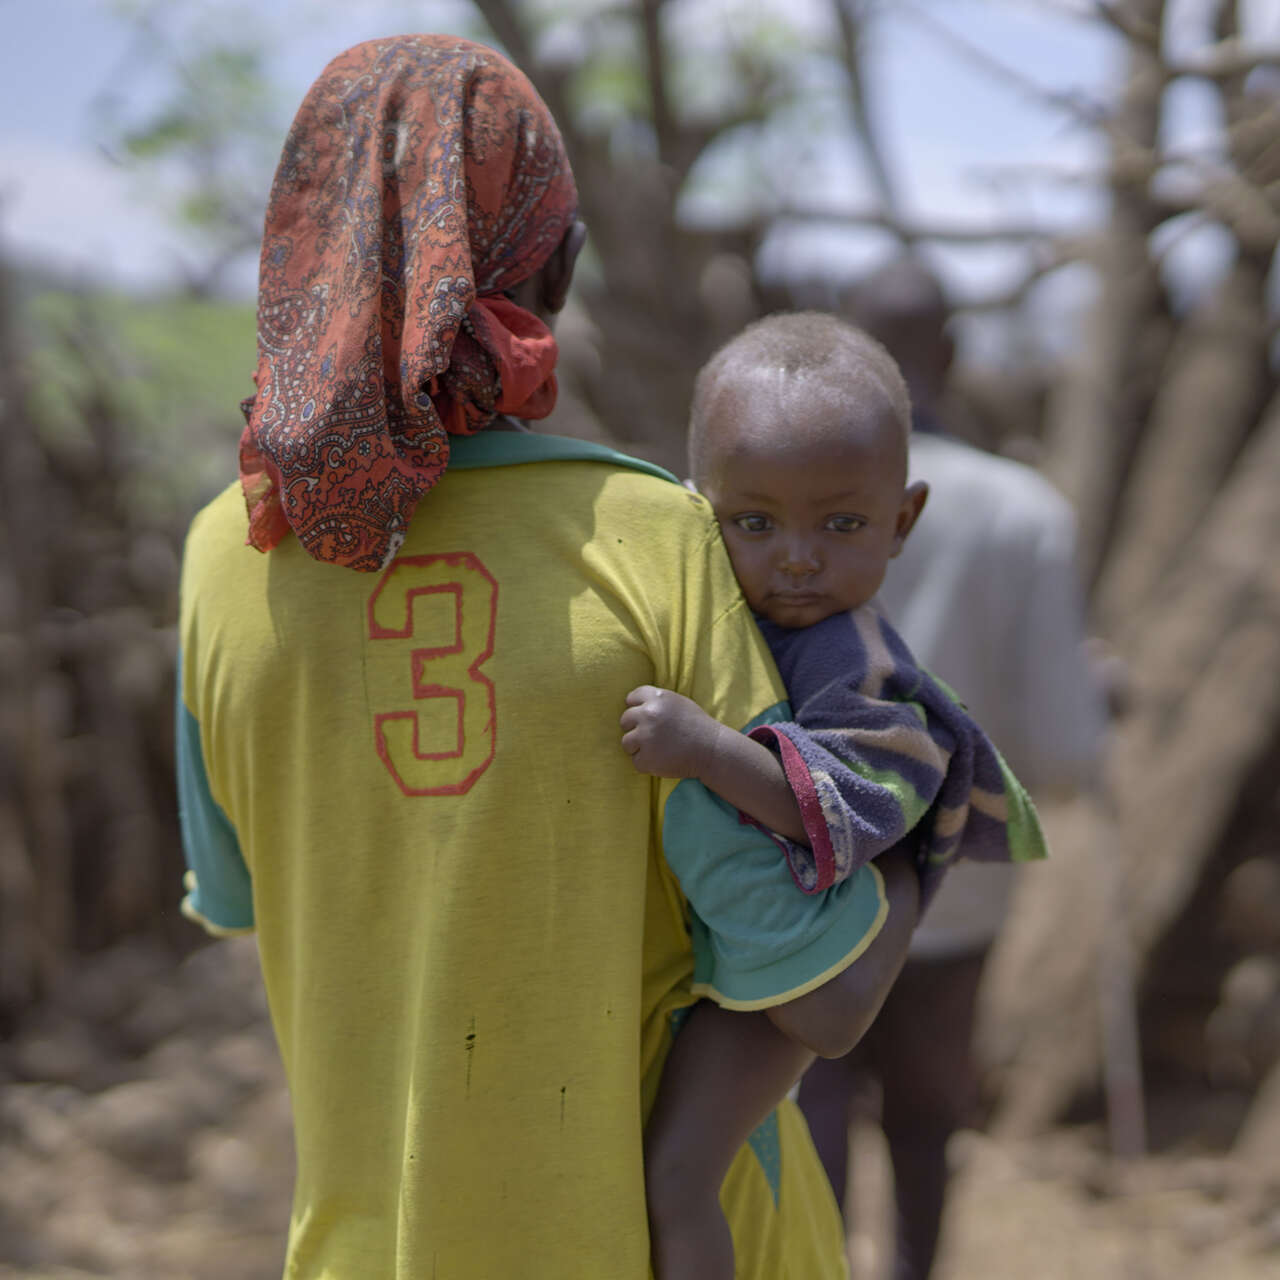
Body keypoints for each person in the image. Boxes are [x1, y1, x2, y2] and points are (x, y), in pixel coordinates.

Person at [174, 34, 911, 1279]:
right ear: (545, 262)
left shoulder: (221, 556)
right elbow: (812, 991)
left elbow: (245, 896)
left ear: (305, 249)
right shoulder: (653, 539)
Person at [619, 311, 1046, 1280]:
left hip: (804, 961)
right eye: (753, 522)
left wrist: (704, 747)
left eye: (840, 522)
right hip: (744, 949)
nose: (797, 556)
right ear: (698, 511)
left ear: (902, 518)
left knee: (682, 1174)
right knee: (682, 1169)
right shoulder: (728, 619)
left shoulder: (864, 667)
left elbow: (844, 815)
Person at [797, 257, 1108, 1280]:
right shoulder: (1019, 511)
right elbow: (1062, 746)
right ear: (952, 352)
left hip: (804, 860)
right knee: (928, 1109)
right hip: (953, 879)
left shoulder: (778, 498)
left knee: (817, 1086)